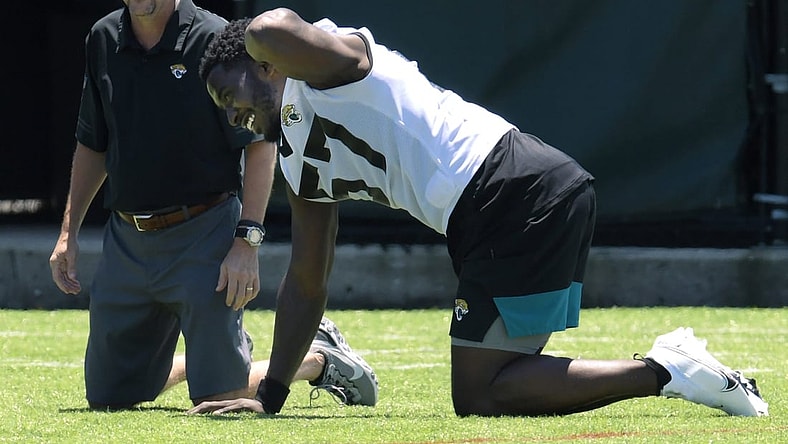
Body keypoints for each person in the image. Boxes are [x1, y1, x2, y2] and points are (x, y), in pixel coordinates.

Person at [188, 10, 768, 417]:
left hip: (512, 187)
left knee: (481, 393)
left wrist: (255, 48)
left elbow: (268, 28)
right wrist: (270, 397)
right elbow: (308, 282)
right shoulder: (294, 159)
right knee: (492, 386)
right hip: (496, 209)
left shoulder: (332, 61)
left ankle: (667, 369)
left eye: (228, 94)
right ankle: (667, 370)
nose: (230, 113)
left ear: (265, 66)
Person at [48, 0, 376, 410]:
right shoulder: (102, 37)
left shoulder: (215, 37)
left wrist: (247, 241)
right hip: (127, 240)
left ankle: (319, 358)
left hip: (205, 234)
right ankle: (212, 360)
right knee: (110, 399)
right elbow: (93, 140)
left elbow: (260, 142)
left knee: (220, 400)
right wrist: (68, 233)